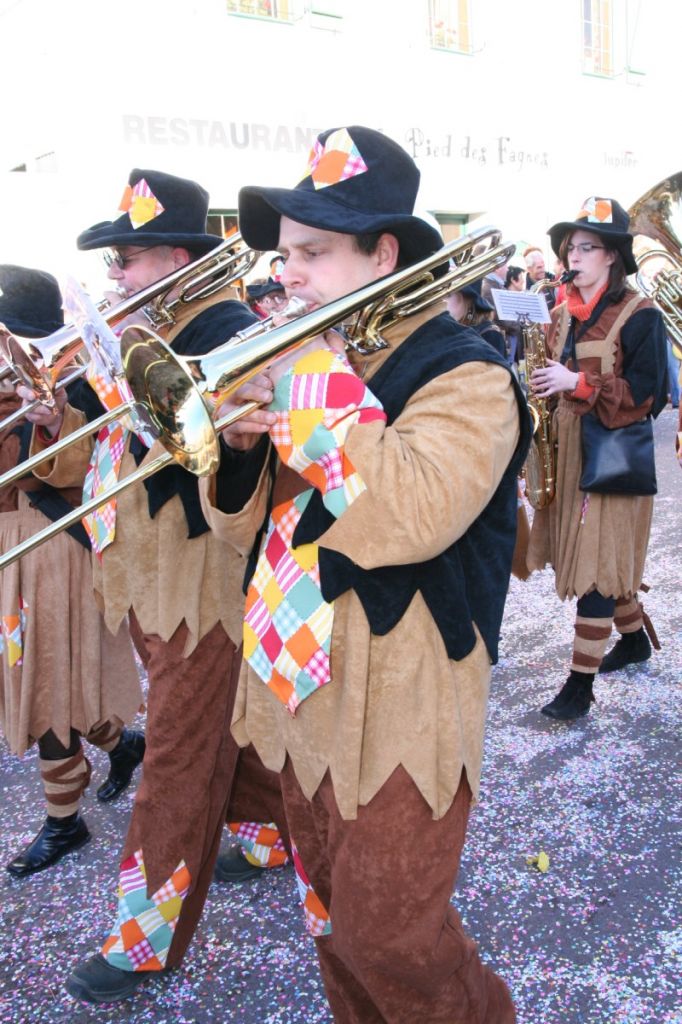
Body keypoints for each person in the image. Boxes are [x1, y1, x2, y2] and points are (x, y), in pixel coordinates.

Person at [200, 125, 530, 1022]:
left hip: (401, 689)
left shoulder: (468, 374)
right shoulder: (319, 361)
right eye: (283, 255)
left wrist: (309, 378)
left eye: (312, 253)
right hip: (295, 672)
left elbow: (412, 517)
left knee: (393, 937)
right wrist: (233, 450)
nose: (285, 275)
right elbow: (245, 529)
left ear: (384, 253)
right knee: (332, 919)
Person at [15, 169, 288, 1003]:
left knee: (176, 752)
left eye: (129, 258)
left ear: (178, 255)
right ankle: (276, 834)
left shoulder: (231, 328)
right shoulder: (142, 331)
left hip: (202, 582)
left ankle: (144, 940)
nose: (117, 275)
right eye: (118, 260)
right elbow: (97, 460)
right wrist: (70, 402)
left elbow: (243, 462)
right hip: (147, 575)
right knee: (214, 729)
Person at [0, 264, 144, 878]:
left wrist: (52, 420)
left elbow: (84, 472)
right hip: (13, 542)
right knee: (38, 677)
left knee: (47, 679)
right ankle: (123, 744)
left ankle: (64, 819)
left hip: (48, 543)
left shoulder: (71, 378)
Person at [527, 197, 668, 720]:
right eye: (570, 248)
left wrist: (579, 383)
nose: (573, 256)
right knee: (599, 561)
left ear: (612, 256)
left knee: (593, 567)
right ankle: (632, 640)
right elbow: (547, 380)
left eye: (586, 247)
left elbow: (649, 395)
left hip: (611, 455)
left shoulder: (642, 315)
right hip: (568, 451)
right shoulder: (559, 314)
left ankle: (579, 687)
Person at [446, 279, 507, 358]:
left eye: (448, 295)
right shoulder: (452, 327)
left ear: (467, 299)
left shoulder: (490, 335)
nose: (443, 301)